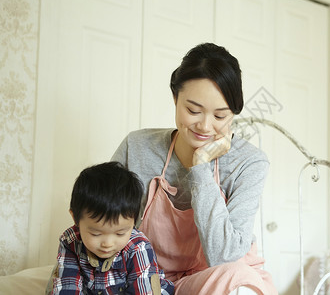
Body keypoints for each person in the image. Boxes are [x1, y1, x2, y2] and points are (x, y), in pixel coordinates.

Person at [112, 43, 277, 295]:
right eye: (193, 110)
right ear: (175, 97)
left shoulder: (249, 163)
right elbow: (102, 217)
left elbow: (223, 258)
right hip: (147, 278)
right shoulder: (137, 146)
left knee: (238, 278)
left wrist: (200, 165)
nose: (205, 126)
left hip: (214, 281)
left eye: (220, 116)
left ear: (233, 114)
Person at [48, 161, 174, 295]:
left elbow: (144, 291)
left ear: (134, 223)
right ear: (75, 219)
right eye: (95, 234)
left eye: (120, 234)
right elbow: (68, 286)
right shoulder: (70, 241)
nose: (107, 244)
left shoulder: (138, 247)